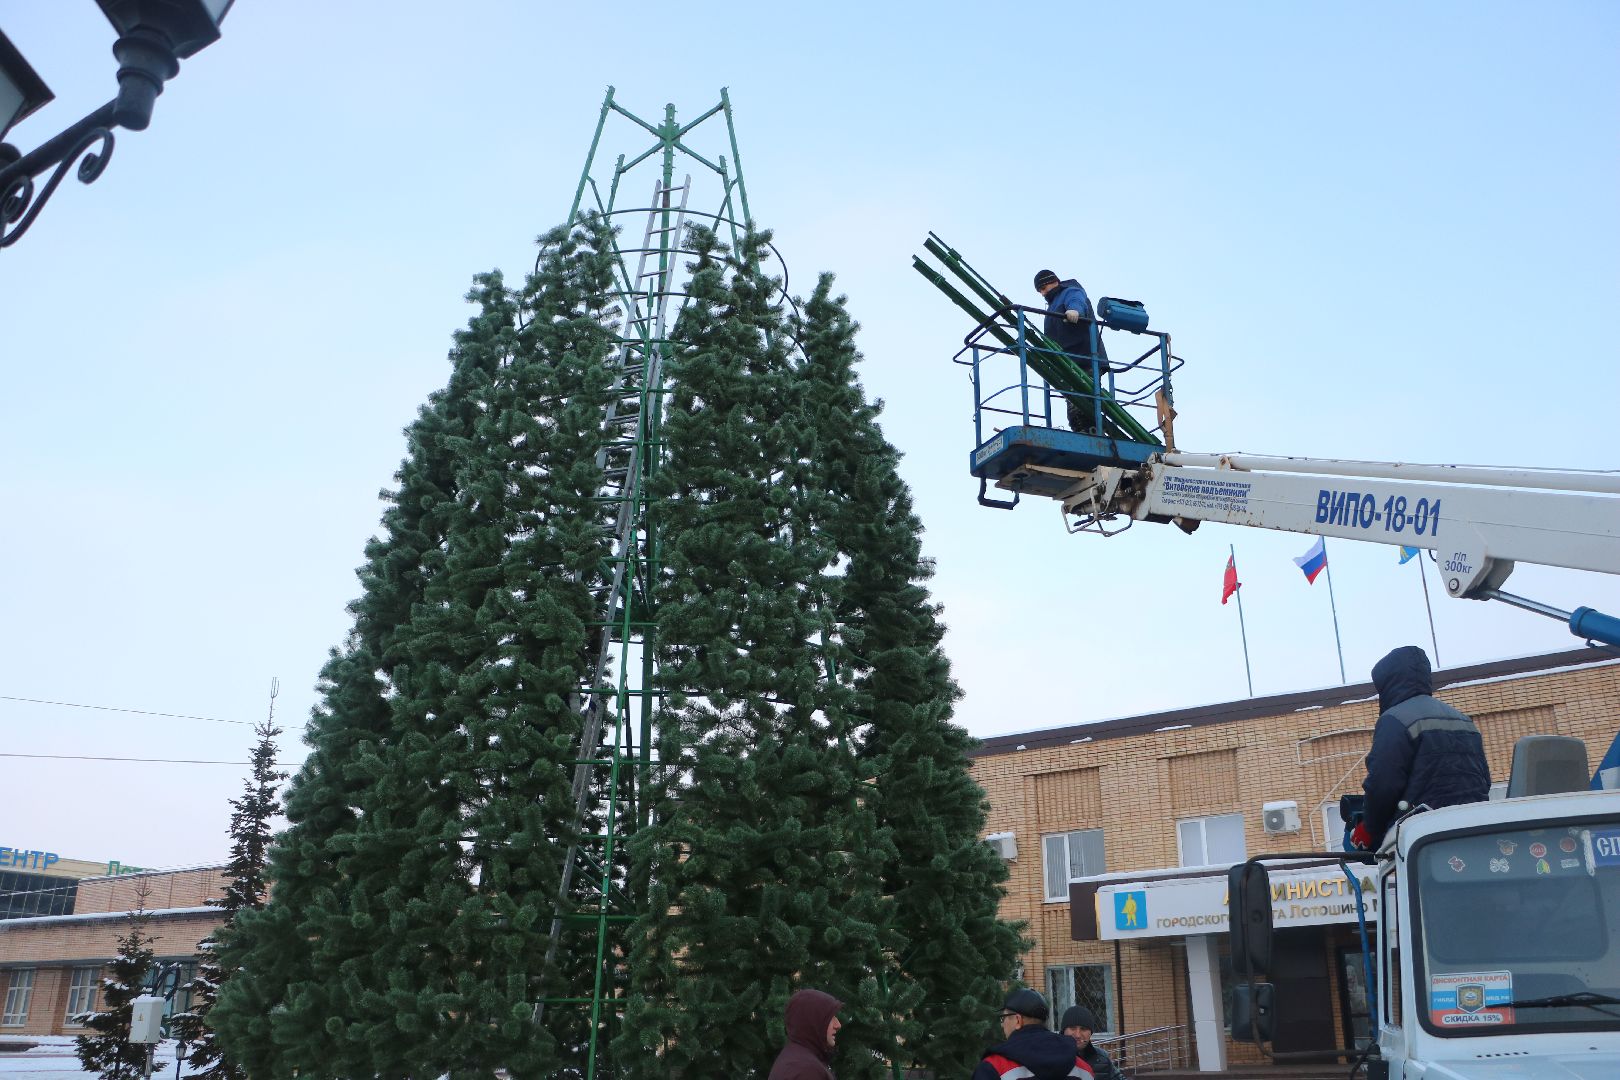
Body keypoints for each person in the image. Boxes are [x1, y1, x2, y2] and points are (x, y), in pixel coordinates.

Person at [1351, 645, 1490, 850]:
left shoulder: (1395, 720)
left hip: (1423, 837)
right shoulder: (1464, 721)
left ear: (1387, 683)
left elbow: (1383, 783)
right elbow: (1483, 779)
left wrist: (1369, 829)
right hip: (1474, 830)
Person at [1034, 269, 1110, 434]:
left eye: (1043, 288)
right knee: (1073, 399)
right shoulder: (1052, 305)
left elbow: (1077, 300)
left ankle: (1092, 429)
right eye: (1040, 291)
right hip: (1067, 360)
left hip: (1085, 357)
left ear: (1052, 281)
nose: (1043, 293)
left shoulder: (1070, 291)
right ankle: (1081, 429)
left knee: (1082, 398)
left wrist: (1074, 311)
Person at [973, 988, 1093, 1080]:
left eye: (1003, 1018)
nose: (1002, 1024)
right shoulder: (1083, 1069)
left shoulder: (994, 1067)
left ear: (1018, 1020)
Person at [768, 988, 843, 1080]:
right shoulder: (806, 1070)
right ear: (812, 1021)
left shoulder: (798, 1060)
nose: (838, 1025)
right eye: (830, 1017)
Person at [1059, 1005, 1118, 1080]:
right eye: (1072, 1028)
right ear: (1063, 1030)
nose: (1078, 1035)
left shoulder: (1102, 1058)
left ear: (1091, 1033)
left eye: (1083, 1029)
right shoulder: (1049, 1057)